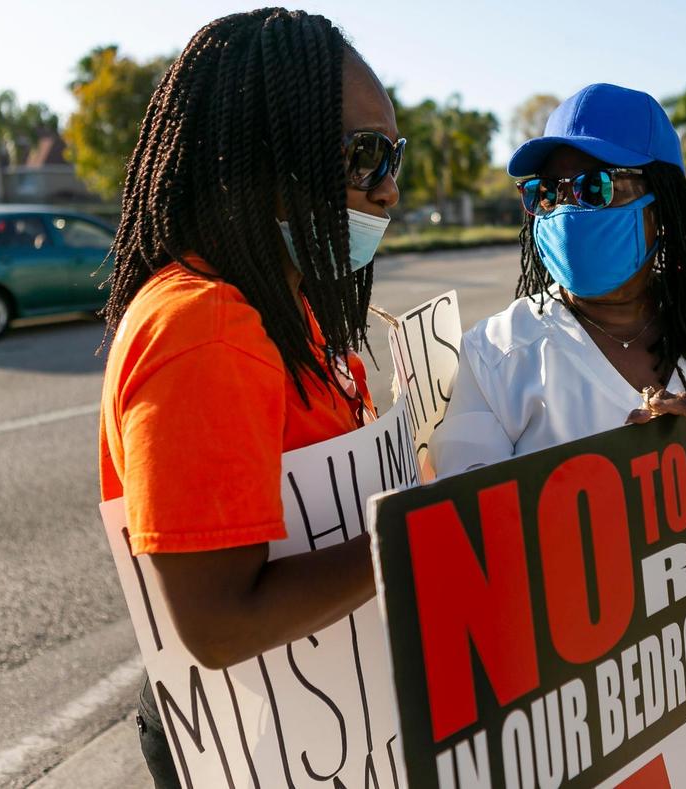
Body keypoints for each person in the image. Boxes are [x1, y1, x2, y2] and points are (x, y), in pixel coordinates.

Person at [96, 10, 403, 787]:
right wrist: (421, 531)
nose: (390, 185)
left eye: (393, 156)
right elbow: (219, 622)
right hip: (260, 744)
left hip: (316, 725)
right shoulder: (204, 324)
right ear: (269, 152)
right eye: (366, 155)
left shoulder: (277, 306)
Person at [429, 84, 686, 477]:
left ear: (663, 203)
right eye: (547, 192)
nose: (568, 211)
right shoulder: (495, 355)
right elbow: (468, 523)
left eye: (597, 187)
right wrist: (613, 480)